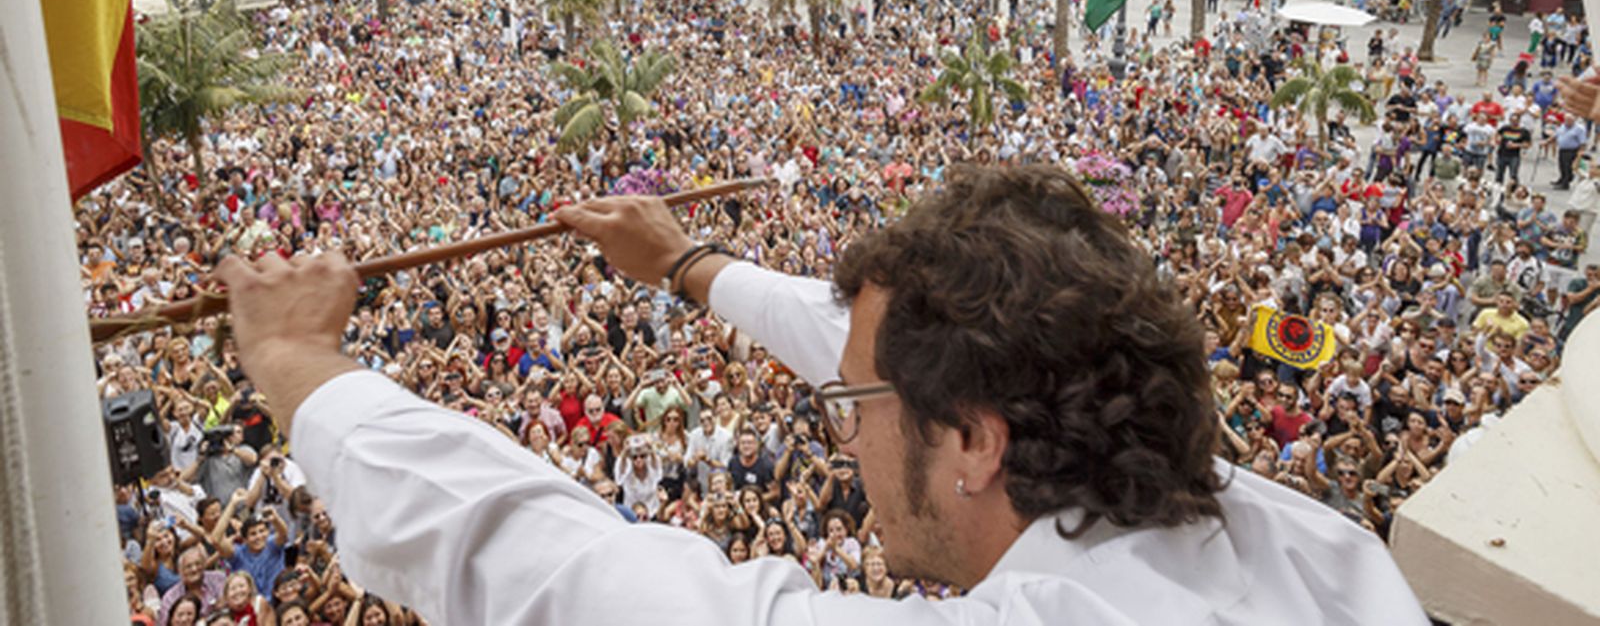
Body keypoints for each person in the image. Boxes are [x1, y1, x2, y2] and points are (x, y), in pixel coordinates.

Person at [215, 166, 1427, 625]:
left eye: (852, 403)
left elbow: (564, 574)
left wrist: (302, 371)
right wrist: (688, 265)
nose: (843, 430)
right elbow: (873, 340)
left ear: (972, 442)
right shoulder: (1285, 534)